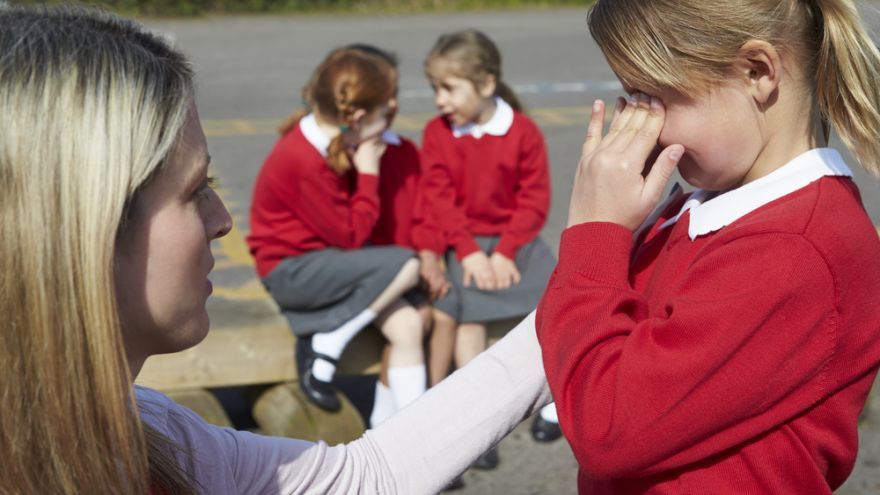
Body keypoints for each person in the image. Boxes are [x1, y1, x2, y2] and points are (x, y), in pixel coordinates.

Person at [0, 5, 552, 494]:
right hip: (310, 277)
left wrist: (572, 302)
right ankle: (332, 336)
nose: (222, 220)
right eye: (195, 191)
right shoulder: (150, 441)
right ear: (82, 228)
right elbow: (351, 236)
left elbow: (369, 474)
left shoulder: (157, 433)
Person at [536, 0, 880, 493]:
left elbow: (606, 428)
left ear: (758, 71)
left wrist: (595, 230)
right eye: (631, 98)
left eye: (652, 96)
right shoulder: (702, 205)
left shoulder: (792, 251)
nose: (640, 126)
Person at [248, 47, 438, 414]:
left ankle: (403, 439)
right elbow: (350, 237)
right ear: (360, 116)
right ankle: (329, 339)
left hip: (330, 266)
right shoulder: (303, 157)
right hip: (293, 272)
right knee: (407, 265)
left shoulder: (330, 140)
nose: (387, 123)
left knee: (408, 325)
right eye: (385, 113)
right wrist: (368, 172)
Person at [418, 29, 561, 461]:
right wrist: (470, 253)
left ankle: (556, 403)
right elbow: (439, 200)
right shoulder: (438, 133)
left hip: (514, 240)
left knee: (559, 304)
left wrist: (505, 251)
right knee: (469, 321)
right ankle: (477, 423)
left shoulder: (523, 132)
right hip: (464, 242)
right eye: (435, 89)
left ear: (485, 85)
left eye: (448, 88)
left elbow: (534, 199)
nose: (439, 100)